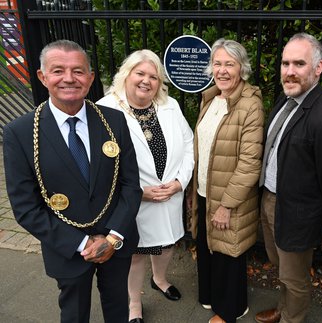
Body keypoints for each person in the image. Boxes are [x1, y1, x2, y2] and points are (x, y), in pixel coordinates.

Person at [3, 40, 142, 323]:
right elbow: (26, 208)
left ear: (90, 79)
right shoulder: (19, 133)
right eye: (58, 70)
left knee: (118, 306)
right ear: (43, 77)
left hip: (116, 243)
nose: (69, 78)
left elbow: (130, 184)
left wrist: (112, 237)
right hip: (66, 248)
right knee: (74, 313)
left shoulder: (114, 121)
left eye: (78, 71)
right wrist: (81, 243)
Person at [255, 33, 322, 323]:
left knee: (295, 278)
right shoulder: (286, 98)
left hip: (297, 214)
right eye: (285, 63)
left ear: (318, 68)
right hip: (270, 201)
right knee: (279, 267)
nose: (290, 71)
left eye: (299, 63)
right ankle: (283, 309)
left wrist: (313, 219)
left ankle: (291, 319)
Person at [96, 49, 194, 323]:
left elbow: (188, 144)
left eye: (153, 76)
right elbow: (100, 168)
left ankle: (160, 280)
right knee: (136, 254)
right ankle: (134, 303)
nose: (146, 81)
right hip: (134, 201)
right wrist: (137, 192)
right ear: (126, 74)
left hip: (170, 194)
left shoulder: (169, 104)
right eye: (140, 73)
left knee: (166, 245)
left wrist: (179, 182)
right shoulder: (105, 109)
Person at [189, 38, 264, 323]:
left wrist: (227, 205)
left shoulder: (250, 105)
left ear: (241, 68)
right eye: (217, 63)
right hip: (206, 190)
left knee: (228, 253)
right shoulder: (210, 99)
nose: (222, 70)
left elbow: (249, 163)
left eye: (229, 64)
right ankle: (210, 297)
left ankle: (230, 310)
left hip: (229, 197)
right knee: (209, 247)